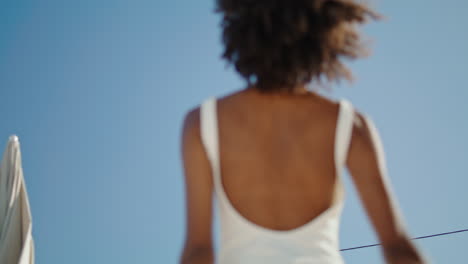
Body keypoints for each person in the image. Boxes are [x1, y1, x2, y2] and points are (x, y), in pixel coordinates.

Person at [180, 0, 426, 263]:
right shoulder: (348, 124)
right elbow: (396, 246)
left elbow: (199, 249)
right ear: (325, 35)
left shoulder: (203, 122)